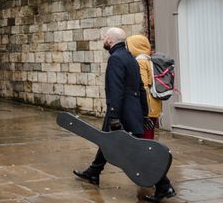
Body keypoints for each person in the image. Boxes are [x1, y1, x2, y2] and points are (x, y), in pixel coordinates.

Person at [73, 27, 176, 202]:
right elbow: (141, 89)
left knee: (135, 153)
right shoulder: (131, 59)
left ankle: (164, 186)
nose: (105, 39)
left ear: (111, 40)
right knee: (105, 141)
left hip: (121, 113)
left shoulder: (116, 59)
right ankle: (93, 172)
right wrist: (143, 114)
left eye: (106, 37)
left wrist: (114, 116)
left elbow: (116, 90)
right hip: (132, 111)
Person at [127, 34, 176, 202]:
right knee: (146, 146)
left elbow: (143, 87)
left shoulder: (140, 61)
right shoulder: (148, 59)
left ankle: (164, 186)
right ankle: (161, 184)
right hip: (154, 108)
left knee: (146, 148)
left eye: (129, 45)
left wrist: (143, 113)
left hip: (147, 109)